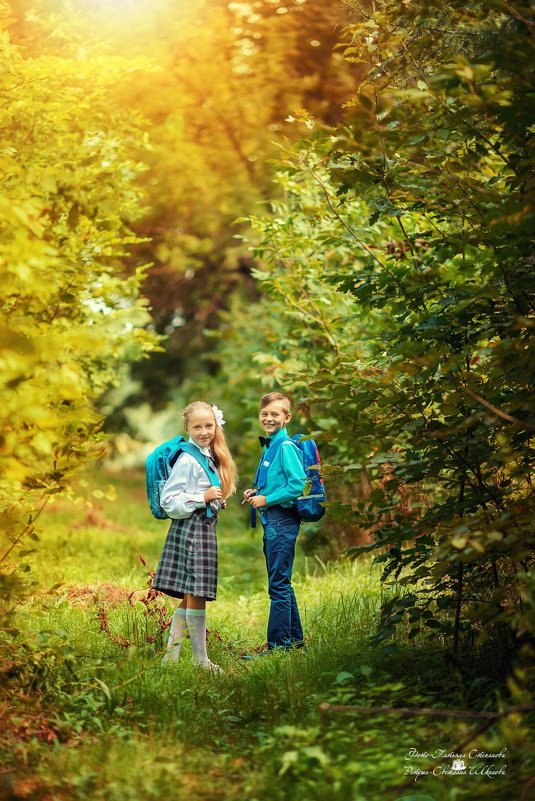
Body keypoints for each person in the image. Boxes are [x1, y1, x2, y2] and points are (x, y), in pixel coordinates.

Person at [153, 401, 237, 672]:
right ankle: (201, 660)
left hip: (201, 527)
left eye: (209, 425)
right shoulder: (188, 458)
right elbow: (169, 500)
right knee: (197, 592)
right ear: (187, 427)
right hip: (191, 530)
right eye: (197, 426)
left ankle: (171, 658)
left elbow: (201, 490)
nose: (204, 431)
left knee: (190, 594)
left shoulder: (207, 454)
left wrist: (213, 501)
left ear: (216, 426)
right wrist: (201, 497)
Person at [243, 392, 307, 653]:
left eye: (275, 414)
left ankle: (278, 647)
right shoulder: (271, 444)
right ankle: (295, 642)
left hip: (282, 521)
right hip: (273, 521)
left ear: (287, 417)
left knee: (278, 585)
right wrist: (256, 493)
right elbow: (278, 481)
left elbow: (298, 485)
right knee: (282, 582)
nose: (269, 418)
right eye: (265, 414)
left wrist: (267, 499)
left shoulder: (285, 447)